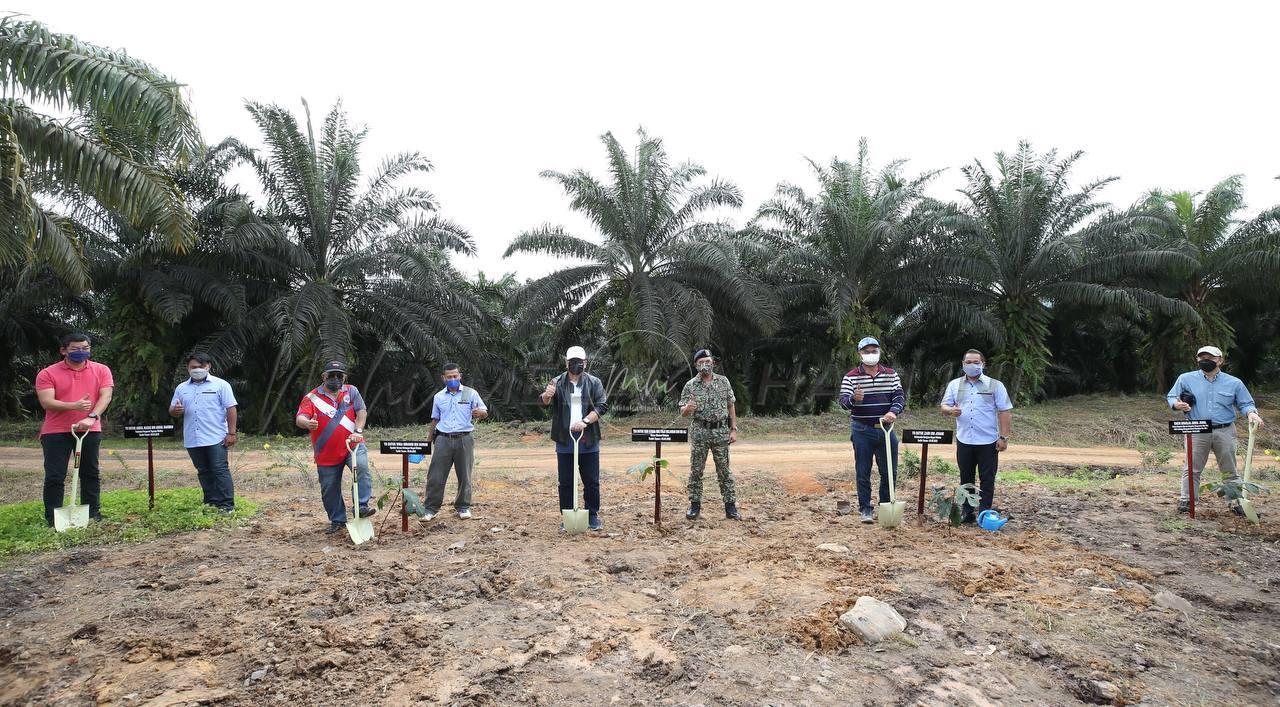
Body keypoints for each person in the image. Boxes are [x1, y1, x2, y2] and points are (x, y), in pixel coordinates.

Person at [1167, 345, 1266, 514]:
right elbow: (1171, 396)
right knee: (1192, 467)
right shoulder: (1185, 379)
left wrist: (1252, 414)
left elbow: (1246, 403)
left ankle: (1236, 503)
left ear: (1220, 360)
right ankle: (1187, 501)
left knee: (1229, 469)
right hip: (1197, 428)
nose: (1206, 361)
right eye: (1202, 358)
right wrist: (1177, 404)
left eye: (1210, 358)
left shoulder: (1234, 382)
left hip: (1225, 430)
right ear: (1197, 360)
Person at [35, 332, 114, 527]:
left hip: (90, 429)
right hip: (56, 431)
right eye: (75, 349)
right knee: (55, 476)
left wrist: (91, 417)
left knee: (90, 472)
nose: (81, 352)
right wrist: (74, 406)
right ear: (63, 350)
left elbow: (106, 396)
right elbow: (47, 402)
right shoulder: (47, 373)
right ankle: (53, 518)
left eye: (85, 348)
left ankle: (92, 513)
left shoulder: (101, 370)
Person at [295, 360, 375, 534]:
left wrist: (358, 430)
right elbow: (300, 417)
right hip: (326, 451)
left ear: (344, 377)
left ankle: (361, 506)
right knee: (329, 488)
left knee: (361, 467)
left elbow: (361, 411)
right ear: (324, 376)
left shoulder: (351, 391)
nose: (336, 379)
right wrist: (308, 423)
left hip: (353, 444)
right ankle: (337, 521)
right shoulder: (312, 398)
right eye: (332, 375)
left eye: (339, 376)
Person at [940, 349, 1013, 523]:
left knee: (987, 478)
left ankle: (985, 512)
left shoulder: (995, 385)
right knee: (966, 477)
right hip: (965, 439)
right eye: (968, 362)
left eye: (976, 362)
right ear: (963, 364)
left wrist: (1003, 438)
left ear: (983, 364)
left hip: (988, 441)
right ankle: (967, 512)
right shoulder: (955, 385)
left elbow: (1004, 412)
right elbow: (944, 406)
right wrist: (951, 411)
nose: (972, 365)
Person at [540, 345, 609, 530]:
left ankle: (592, 515)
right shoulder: (557, 382)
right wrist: (547, 396)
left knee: (591, 480)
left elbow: (602, 406)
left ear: (585, 363)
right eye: (572, 362)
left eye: (580, 361)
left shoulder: (594, 382)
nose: (576, 365)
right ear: (566, 363)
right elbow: (545, 402)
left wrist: (585, 421)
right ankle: (567, 515)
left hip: (588, 439)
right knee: (566, 481)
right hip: (565, 439)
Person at [838, 337, 905, 523]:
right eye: (866, 351)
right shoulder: (851, 376)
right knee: (863, 471)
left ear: (879, 352)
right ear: (859, 354)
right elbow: (843, 402)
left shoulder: (891, 374)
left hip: (886, 430)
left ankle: (886, 508)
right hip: (862, 430)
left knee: (889, 471)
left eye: (873, 351)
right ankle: (865, 509)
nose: (870, 355)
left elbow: (899, 396)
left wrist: (893, 411)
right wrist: (854, 398)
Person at [169, 353, 239, 512]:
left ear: (208, 367)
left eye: (201, 367)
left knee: (220, 470)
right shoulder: (181, 388)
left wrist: (232, 433)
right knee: (203, 471)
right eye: (194, 367)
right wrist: (175, 410)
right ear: (188, 368)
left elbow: (231, 408)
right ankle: (211, 502)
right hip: (193, 438)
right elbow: (172, 410)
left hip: (216, 437)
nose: (198, 370)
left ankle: (227, 505)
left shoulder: (221, 385)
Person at [420, 363, 488, 521]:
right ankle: (430, 509)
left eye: (455, 376)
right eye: (449, 377)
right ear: (443, 378)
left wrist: (481, 413)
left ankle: (463, 506)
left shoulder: (470, 393)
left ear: (460, 376)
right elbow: (435, 420)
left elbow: (484, 411)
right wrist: (427, 442)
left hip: (464, 438)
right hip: (443, 439)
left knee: (465, 474)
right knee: (435, 476)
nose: (452, 379)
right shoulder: (439, 397)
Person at [679, 348, 740, 520]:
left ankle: (730, 506)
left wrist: (733, 428)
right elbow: (682, 411)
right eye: (700, 363)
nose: (704, 365)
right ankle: (694, 505)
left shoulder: (723, 382)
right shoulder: (690, 385)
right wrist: (687, 409)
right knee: (696, 470)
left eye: (707, 361)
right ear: (696, 365)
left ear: (713, 362)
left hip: (721, 432)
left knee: (724, 471)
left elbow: (731, 405)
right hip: (700, 432)